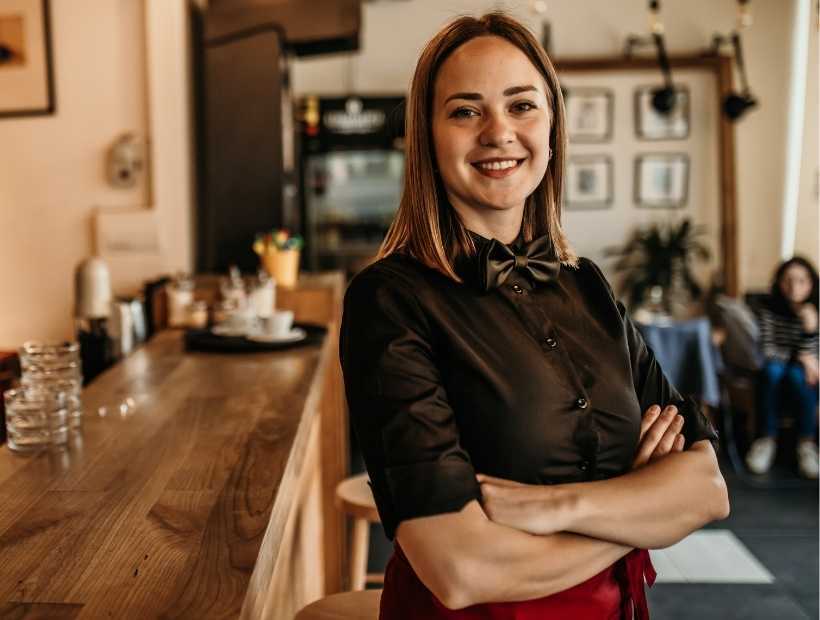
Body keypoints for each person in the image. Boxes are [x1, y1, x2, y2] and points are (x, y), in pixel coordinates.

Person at [339, 12, 729, 619]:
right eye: (465, 111)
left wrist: (561, 507)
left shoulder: (587, 285)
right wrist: (639, 511)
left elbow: (706, 487)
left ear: (551, 126)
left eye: (522, 106)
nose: (499, 132)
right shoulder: (388, 302)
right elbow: (461, 569)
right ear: (427, 135)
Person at [745, 256, 819, 478]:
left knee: (798, 377)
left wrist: (809, 330)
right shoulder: (768, 308)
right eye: (788, 280)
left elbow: (814, 356)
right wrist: (801, 357)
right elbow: (768, 349)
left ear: (812, 283)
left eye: (801, 281)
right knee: (772, 371)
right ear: (779, 282)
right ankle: (766, 440)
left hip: (802, 371)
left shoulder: (815, 310)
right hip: (778, 366)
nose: (794, 287)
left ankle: (806, 444)